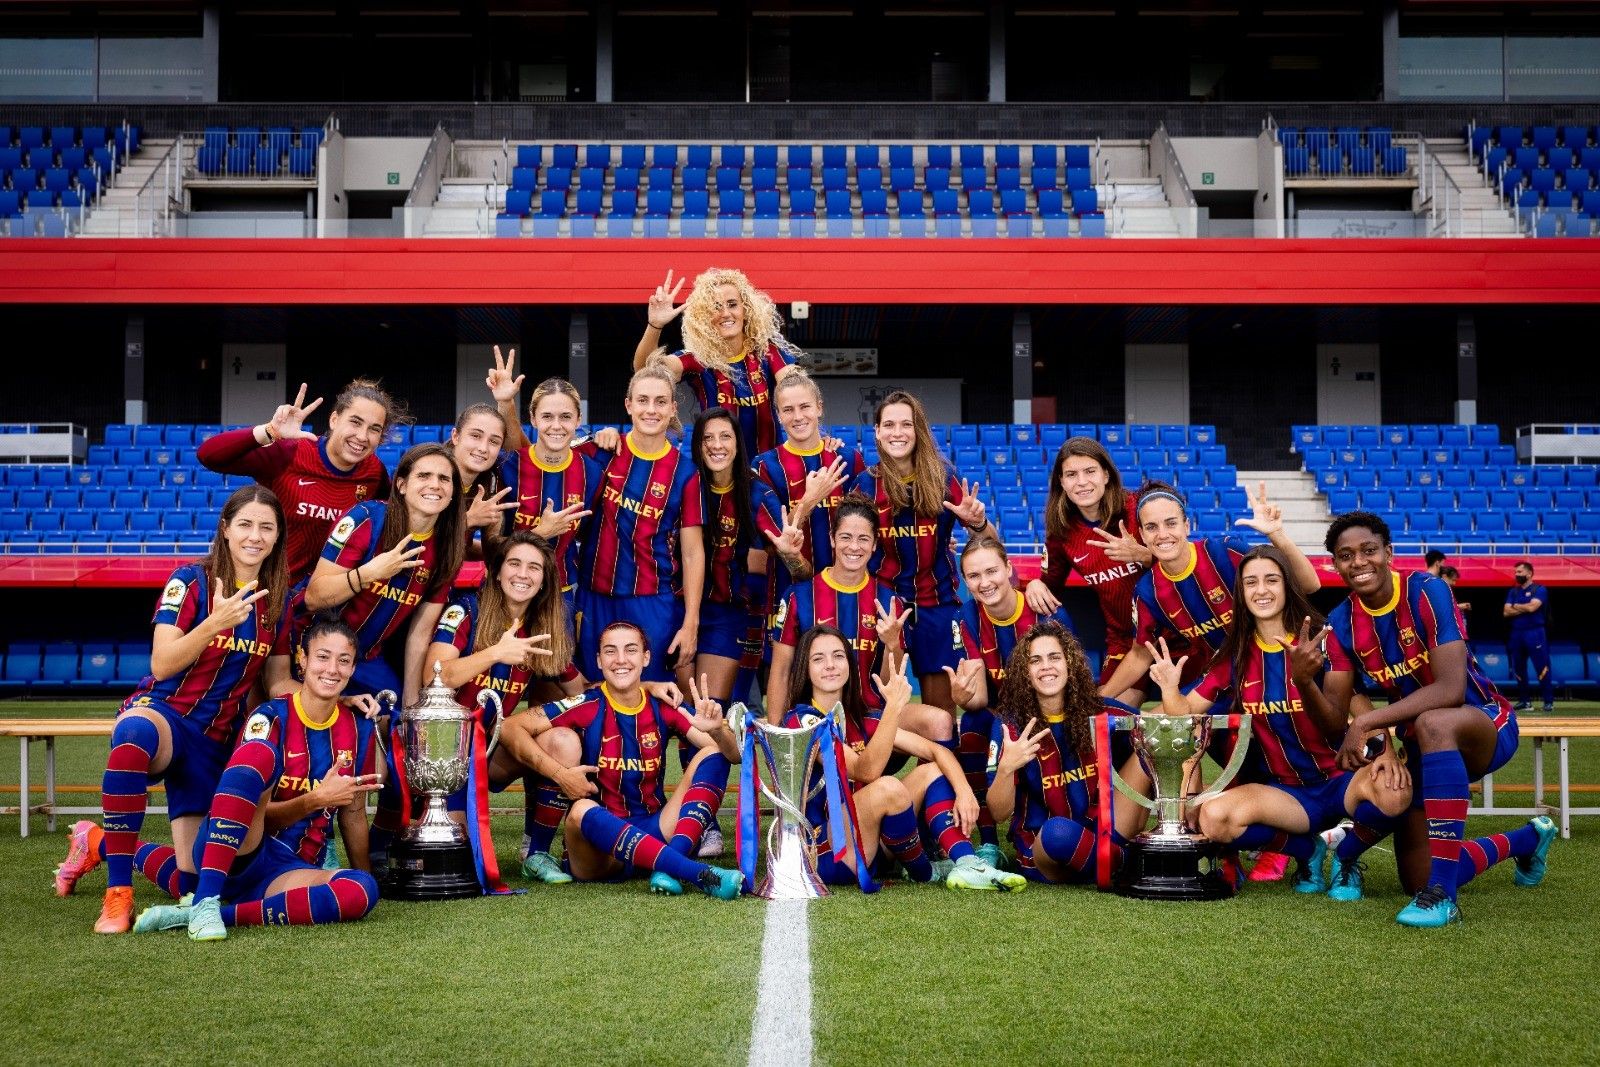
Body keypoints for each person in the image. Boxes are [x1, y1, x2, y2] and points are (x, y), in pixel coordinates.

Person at [60, 486, 293, 934]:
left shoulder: (277, 601)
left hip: (214, 741)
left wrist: (331, 697)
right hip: (165, 714)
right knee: (133, 739)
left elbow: (278, 680)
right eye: (245, 524)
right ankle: (117, 896)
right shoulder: (190, 580)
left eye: (267, 527)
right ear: (225, 529)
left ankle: (97, 840)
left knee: (192, 880)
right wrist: (214, 623)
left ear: (278, 537)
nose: (255, 536)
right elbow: (162, 663)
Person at [1322, 512, 1556, 927]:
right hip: (1418, 739)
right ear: (1334, 565)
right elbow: (1340, 705)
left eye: (1368, 550)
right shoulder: (1340, 623)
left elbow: (1450, 688)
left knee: (1435, 720)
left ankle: (1444, 899)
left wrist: (1369, 724)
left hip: (1483, 721)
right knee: (1416, 877)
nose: (1358, 561)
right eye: (1345, 555)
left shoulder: (1427, 590)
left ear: (1388, 553)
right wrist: (1310, 680)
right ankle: (1527, 839)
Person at [1143, 545, 1413, 901]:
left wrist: (1388, 753)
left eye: (1272, 579)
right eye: (1251, 582)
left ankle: (1346, 859)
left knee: (1396, 792)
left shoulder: (1323, 639)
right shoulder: (1235, 654)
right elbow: (1186, 715)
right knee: (1212, 818)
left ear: (1287, 585)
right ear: (1241, 593)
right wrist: (1168, 688)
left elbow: (1361, 705)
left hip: (1343, 779)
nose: (1262, 590)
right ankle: (1308, 852)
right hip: (1286, 795)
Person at [131, 617, 383, 940]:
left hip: (289, 871)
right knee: (257, 757)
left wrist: (363, 875)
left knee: (361, 891)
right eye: (322, 656)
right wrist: (315, 800)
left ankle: (206, 909)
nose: (332, 668)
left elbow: (354, 815)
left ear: (352, 669)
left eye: (344, 660)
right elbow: (247, 810)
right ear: (302, 661)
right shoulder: (270, 716)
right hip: (238, 849)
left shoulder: (359, 730)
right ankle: (205, 901)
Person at [488, 621, 744, 899]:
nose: (621, 659)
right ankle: (693, 872)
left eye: (631, 650)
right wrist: (561, 774)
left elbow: (732, 755)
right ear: (599, 661)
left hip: (657, 828)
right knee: (581, 809)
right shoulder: (585, 704)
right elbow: (510, 726)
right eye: (610, 652)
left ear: (646, 657)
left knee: (712, 753)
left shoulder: (665, 704)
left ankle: (671, 866)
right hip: (600, 851)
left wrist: (718, 730)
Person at [779, 625, 1020, 890]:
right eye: (818, 658)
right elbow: (864, 771)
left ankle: (967, 862)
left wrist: (964, 791)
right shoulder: (801, 719)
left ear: (849, 663)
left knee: (933, 770)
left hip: (871, 843)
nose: (830, 665)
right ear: (805, 668)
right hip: (826, 852)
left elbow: (937, 751)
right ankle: (926, 873)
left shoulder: (862, 718)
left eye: (838, 656)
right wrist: (893, 708)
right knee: (887, 786)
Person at [427, 530, 584, 883]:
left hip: (493, 752)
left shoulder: (544, 627)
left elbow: (584, 692)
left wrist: (642, 686)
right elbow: (435, 675)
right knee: (458, 861)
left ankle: (536, 851)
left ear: (545, 581)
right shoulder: (466, 608)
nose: (522, 574)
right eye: (514, 564)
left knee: (560, 740)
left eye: (534, 568)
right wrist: (496, 652)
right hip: (447, 758)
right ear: (497, 571)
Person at [1096, 480, 1320, 703]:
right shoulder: (1148, 591)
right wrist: (1098, 700)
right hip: (1220, 676)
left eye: (1171, 523)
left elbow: (1310, 584)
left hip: (1274, 665)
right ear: (1142, 536)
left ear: (1187, 525)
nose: (1162, 534)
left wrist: (1277, 534)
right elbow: (1139, 655)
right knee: (1160, 726)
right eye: (1152, 527)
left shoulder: (1225, 552)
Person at [850, 390, 996, 712]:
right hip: (884, 607)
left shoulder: (944, 478)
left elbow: (991, 542)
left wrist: (979, 522)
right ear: (876, 432)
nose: (897, 432)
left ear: (919, 430)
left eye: (907, 424)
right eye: (888, 424)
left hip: (938, 605)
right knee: (882, 707)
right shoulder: (864, 485)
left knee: (941, 715)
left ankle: (935, 761)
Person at [985, 620, 1151, 885]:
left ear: (1069, 664)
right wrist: (1007, 768)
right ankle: (1138, 864)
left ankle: (1164, 851)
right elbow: (998, 813)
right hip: (1049, 848)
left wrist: (1170, 693)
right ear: (1024, 672)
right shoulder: (1011, 724)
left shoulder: (1099, 711)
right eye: (1035, 660)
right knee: (1057, 832)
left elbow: (1164, 735)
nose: (1046, 666)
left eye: (1054, 657)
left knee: (1150, 748)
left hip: (1107, 832)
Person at [300, 442, 465, 705]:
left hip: (366, 658)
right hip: (312, 646)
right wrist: (370, 572)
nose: (435, 485)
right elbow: (313, 597)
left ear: (453, 492)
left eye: (444, 478)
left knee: (393, 713)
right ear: (401, 485)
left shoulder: (447, 548)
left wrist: (411, 704)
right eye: (424, 475)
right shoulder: (366, 518)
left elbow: (420, 632)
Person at [948, 534, 1076, 867]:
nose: (984, 582)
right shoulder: (967, 618)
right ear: (965, 581)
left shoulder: (1044, 608)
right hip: (1004, 718)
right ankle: (989, 842)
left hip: (1052, 714)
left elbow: (1074, 679)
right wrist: (961, 696)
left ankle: (1073, 820)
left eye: (991, 571)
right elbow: (977, 697)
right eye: (974, 576)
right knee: (975, 722)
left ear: (1009, 568)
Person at [576, 361, 704, 683]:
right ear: (628, 405)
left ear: (673, 408)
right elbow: (535, 459)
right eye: (643, 400)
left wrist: (691, 622)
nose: (651, 410)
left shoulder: (685, 473)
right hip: (594, 596)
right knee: (592, 696)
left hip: (652, 599)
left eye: (661, 402)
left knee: (650, 698)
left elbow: (691, 553)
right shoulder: (600, 450)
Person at [197, 379, 398, 580]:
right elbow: (209, 455)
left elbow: (391, 521)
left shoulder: (374, 472)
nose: (362, 436)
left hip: (324, 600)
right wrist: (270, 431)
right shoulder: (291, 453)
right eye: (355, 422)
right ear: (334, 420)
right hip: (270, 590)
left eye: (374, 429)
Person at [633, 267, 802, 455]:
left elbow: (795, 386)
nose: (725, 313)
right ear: (705, 316)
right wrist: (655, 325)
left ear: (746, 310)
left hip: (766, 470)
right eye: (715, 307)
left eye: (732, 304)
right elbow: (645, 372)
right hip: (718, 469)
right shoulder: (698, 358)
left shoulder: (767, 350)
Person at [1025, 436, 1149, 689]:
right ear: (1061, 482)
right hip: (1125, 642)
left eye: (1090, 471)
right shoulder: (1062, 532)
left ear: (1106, 474)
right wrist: (1035, 584)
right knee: (1105, 716)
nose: (1081, 482)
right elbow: (1051, 588)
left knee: (1191, 716)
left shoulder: (1137, 509)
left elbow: (1183, 561)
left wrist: (1143, 555)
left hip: (1174, 635)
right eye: (1071, 474)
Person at [751, 368, 865, 642]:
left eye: (805, 407)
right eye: (788, 409)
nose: (798, 416)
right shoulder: (764, 466)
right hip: (787, 591)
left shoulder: (848, 459)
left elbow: (869, 526)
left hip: (845, 593)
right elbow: (777, 540)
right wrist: (810, 499)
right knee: (784, 678)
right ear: (778, 415)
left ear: (819, 408)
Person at [487, 354, 606, 615]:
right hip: (505, 592)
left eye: (565, 417)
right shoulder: (507, 465)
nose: (556, 426)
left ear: (578, 420)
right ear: (533, 418)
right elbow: (492, 547)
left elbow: (587, 535)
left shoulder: (593, 473)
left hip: (561, 594)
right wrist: (541, 532)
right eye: (547, 416)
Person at [446, 401, 519, 556]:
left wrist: (539, 534)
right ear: (456, 436)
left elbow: (489, 548)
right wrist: (468, 520)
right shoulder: (429, 472)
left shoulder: (490, 483)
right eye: (475, 436)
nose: (483, 448)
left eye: (494, 441)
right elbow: (414, 538)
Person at [1504, 560, 1554, 712]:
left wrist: (1516, 606)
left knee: (1542, 666)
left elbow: (1533, 607)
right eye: (1515, 572)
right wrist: (1523, 607)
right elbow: (1506, 612)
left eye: (1519, 572)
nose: (1516, 575)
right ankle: (1525, 701)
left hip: (1535, 633)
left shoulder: (1540, 589)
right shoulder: (1513, 592)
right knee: (1518, 667)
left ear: (1529, 573)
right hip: (1517, 633)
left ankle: (1548, 701)